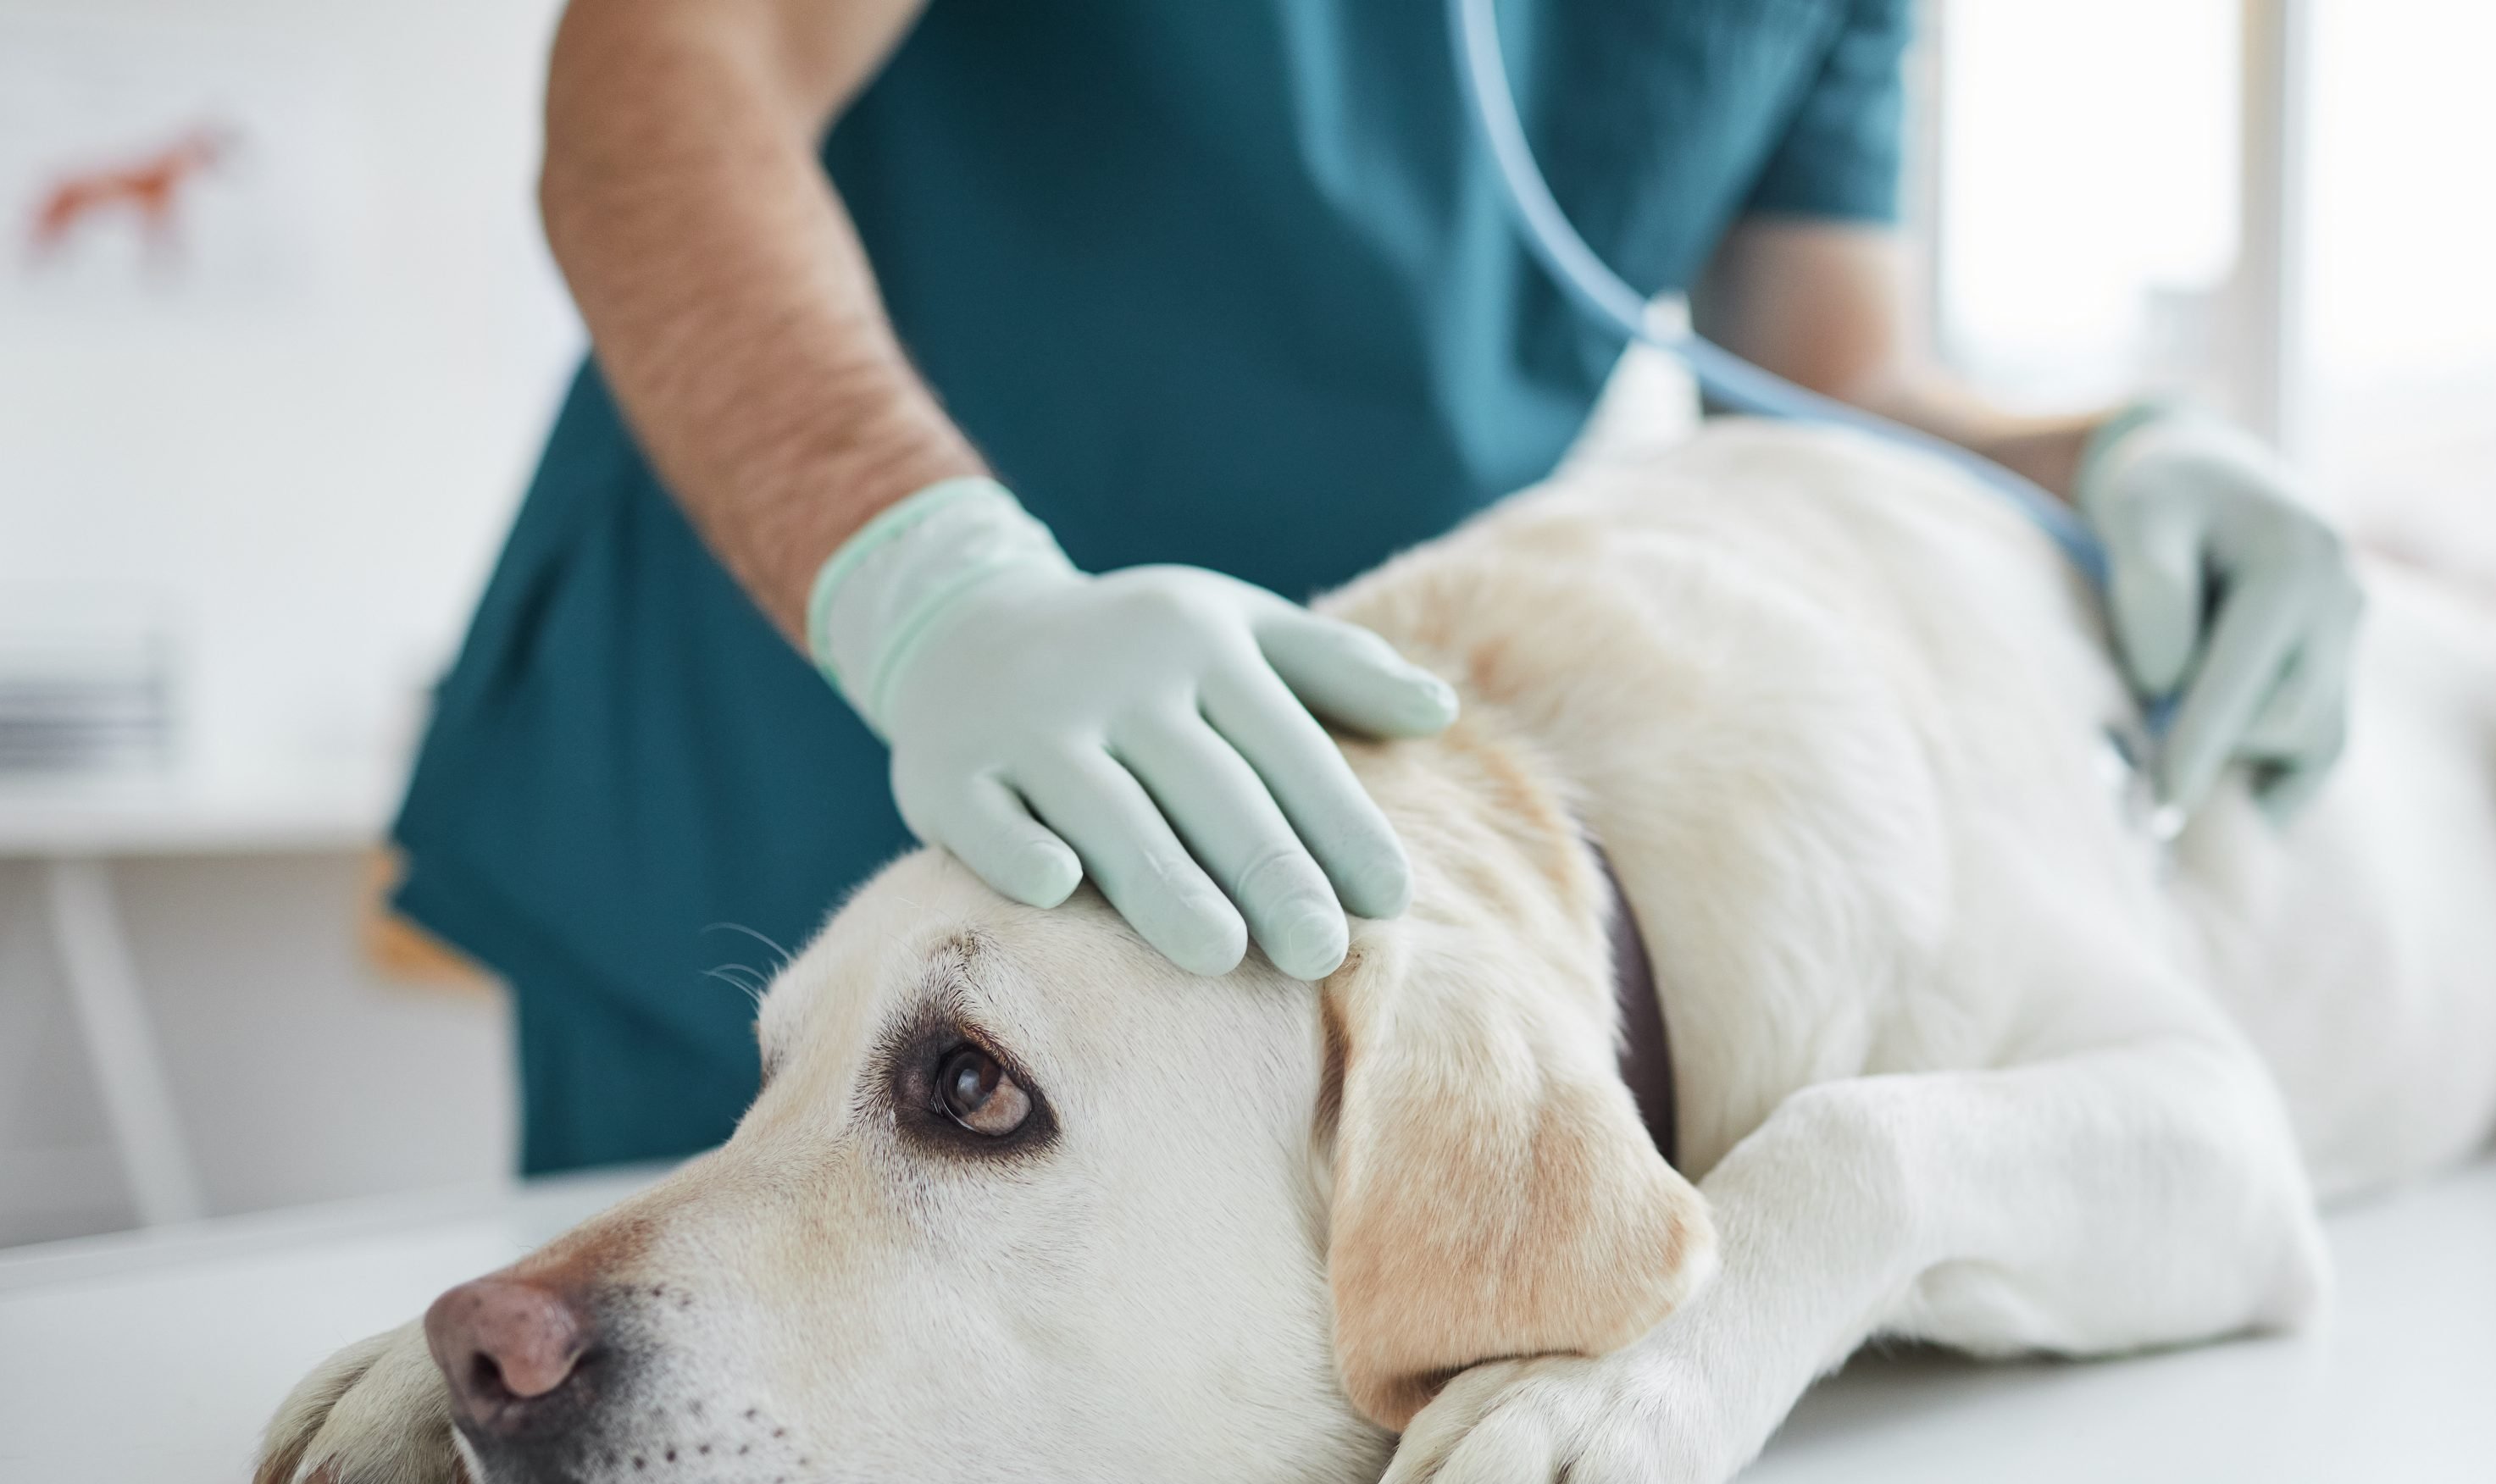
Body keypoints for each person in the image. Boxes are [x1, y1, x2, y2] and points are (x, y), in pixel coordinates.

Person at [395, 0, 2360, 1176]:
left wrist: (2107, 463)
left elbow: (1831, 382)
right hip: (762, 755)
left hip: (1270, 898)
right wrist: (939, 588)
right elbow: (668, 87)